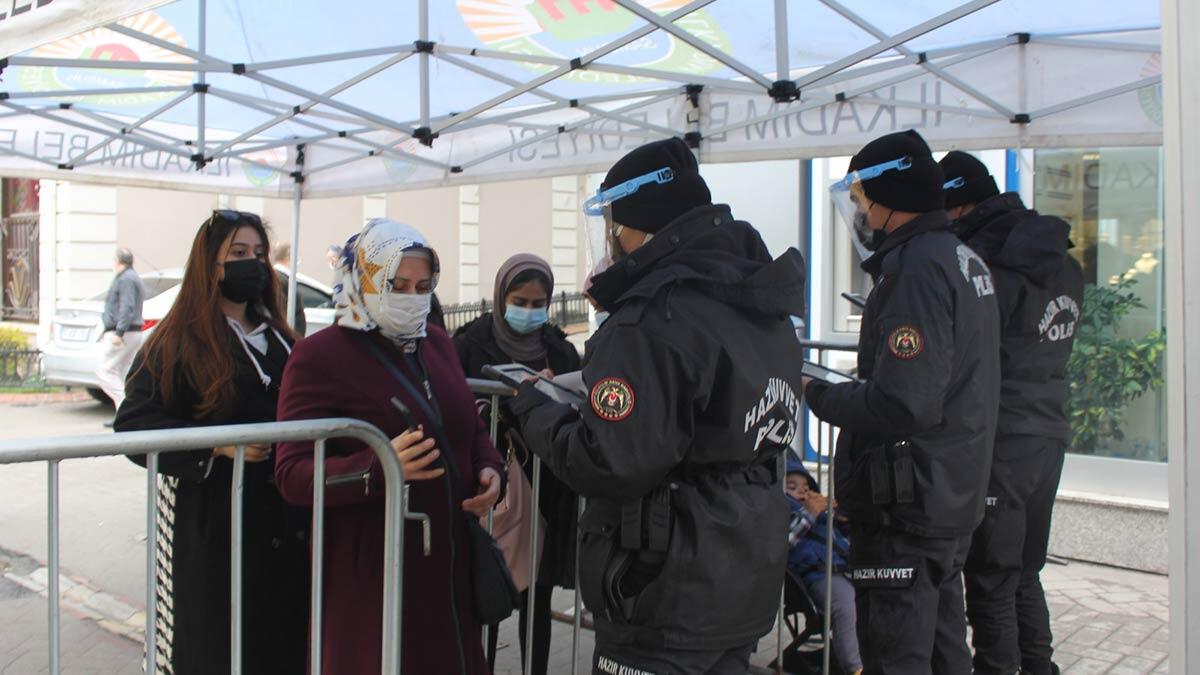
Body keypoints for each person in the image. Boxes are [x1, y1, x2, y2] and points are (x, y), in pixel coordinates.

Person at [505, 138, 808, 674]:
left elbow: (609, 460)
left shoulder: (653, 317)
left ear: (637, 226)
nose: (610, 240)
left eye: (614, 226)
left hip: (665, 584)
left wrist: (534, 409)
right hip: (742, 571)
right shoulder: (752, 297)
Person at [803, 130, 1001, 674]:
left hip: (908, 508)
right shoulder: (961, 258)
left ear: (890, 197)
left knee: (897, 655)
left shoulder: (914, 270)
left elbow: (904, 403)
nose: (862, 214)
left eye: (863, 200)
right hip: (948, 493)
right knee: (943, 651)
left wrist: (819, 395)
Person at [273, 218, 504, 675]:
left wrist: (490, 468)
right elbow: (291, 473)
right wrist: (378, 466)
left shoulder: (436, 344)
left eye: (422, 287)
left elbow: (468, 427)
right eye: (396, 285)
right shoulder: (320, 356)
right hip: (373, 568)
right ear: (361, 277)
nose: (411, 297)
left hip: (448, 562)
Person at [115, 211, 308, 674]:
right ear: (210, 263)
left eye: (259, 254)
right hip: (216, 525)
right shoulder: (177, 341)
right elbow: (135, 424)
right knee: (218, 646)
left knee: (281, 644)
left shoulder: (282, 338)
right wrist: (216, 447)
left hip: (285, 523)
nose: (253, 263)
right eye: (238, 253)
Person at [940, 151, 1084, 675]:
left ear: (960, 206)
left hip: (1003, 437)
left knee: (991, 578)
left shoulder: (987, 265)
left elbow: (971, 352)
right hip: (1048, 429)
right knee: (1024, 571)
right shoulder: (1062, 261)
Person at [453, 253, 582, 675]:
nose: (528, 311)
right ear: (500, 297)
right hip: (489, 487)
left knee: (537, 597)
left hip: (546, 488)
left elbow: (579, 404)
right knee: (487, 591)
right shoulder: (469, 345)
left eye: (537, 303)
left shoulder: (560, 350)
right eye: (519, 301)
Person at [784, 460, 862, 675]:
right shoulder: (786, 512)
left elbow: (841, 540)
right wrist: (808, 514)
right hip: (817, 576)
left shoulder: (822, 516)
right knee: (846, 606)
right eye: (792, 487)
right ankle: (855, 667)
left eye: (806, 487)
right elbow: (782, 545)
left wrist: (842, 520)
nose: (802, 491)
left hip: (847, 569)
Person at [97, 246, 145, 411]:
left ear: (118, 261)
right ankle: (125, 413)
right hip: (130, 332)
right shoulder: (131, 277)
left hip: (125, 333)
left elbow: (127, 307)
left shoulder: (126, 279)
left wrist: (119, 332)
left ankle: (125, 408)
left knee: (105, 371)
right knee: (123, 372)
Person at [270, 241, 307, 335]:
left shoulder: (283, 278)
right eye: (296, 257)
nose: (297, 261)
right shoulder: (280, 279)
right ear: (289, 256)